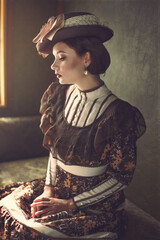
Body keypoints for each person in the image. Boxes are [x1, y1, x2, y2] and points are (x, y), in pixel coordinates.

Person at [0, 12, 146, 240]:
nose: (53, 66)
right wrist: (48, 190)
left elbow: (120, 178)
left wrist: (69, 204)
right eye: (54, 58)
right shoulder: (58, 96)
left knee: (31, 233)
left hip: (93, 205)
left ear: (86, 59)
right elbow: (55, 151)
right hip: (58, 189)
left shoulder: (119, 114)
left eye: (61, 57)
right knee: (5, 207)